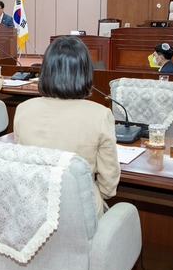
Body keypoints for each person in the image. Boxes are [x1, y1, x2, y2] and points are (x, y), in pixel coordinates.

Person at [13, 36, 119, 217]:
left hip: (32, 210)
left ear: (46, 71)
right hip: (80, 213)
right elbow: (108, 184)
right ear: (86, 72)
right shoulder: (100, 115)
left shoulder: (23, 110)